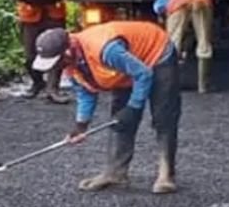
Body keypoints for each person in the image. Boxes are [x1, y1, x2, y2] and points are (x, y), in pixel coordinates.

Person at [32, 22, 180, 194]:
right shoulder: (70, 64)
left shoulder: (105, 49)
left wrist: (133, 107)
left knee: (163, 117)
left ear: (67, 51)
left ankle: (166, 175)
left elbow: (143, 73)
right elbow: (86, 92)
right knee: (120, 120)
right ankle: (115, 173)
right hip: (128, 65)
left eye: (55, 62)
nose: (55, 68)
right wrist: (81, 126)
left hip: (156, 52)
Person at [153, 0, 214, 93]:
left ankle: (171, 84)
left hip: (178, 6)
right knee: (204, 43)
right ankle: (203, 86)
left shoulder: (162, 0)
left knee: (173, 45)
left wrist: (163, 19)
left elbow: (158, 8)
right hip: (202, 2)